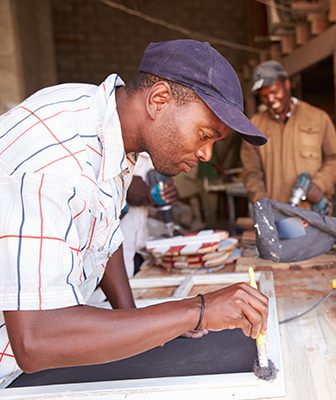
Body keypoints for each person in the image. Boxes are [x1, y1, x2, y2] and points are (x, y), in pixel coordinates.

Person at [0, 39, 270, 384]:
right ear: (159, 100)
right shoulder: (54, 163)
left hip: (46, 340)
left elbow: (101, 234)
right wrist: (195, 311)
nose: (206, 155)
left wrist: (136, 321)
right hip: (15, 367)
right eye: (205, 135)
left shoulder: (107, 122)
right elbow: (36, 338)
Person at [241, 60, 336, 209]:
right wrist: (262, 202)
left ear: (287, 84)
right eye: (264, 96)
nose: (270, 100)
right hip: (278, 214)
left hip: (313, 213)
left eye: (274, 92)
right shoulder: (254, 126)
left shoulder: (318, 118)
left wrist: (320, 184)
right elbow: (251, 172)